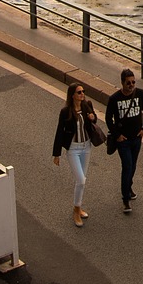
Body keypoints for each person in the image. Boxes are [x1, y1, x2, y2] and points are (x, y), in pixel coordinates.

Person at [52, 82, 105, 227]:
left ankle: (78, 207)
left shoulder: (87, 105)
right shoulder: (66, 112)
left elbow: (93, 121)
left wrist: (93, 117)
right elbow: (59, 132)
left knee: (82, 180)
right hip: (73, 149)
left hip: (86, 146)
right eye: (79, 92)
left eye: (83, 91)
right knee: (81, 180)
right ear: (72, 95)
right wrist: (57, 154)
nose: (82, 94)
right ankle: (76, 210)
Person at [103, 68, 143, 213]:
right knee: (127, 166)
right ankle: (125, 199)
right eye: (128, 83)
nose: (131, 85)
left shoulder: (140, 94)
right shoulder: (114, 99)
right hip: (123, 140)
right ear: (122, 83)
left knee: (133, 165)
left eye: (133, 82)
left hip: (136, 138)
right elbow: (108, 119)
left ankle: (128, 187)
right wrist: (117, 135)